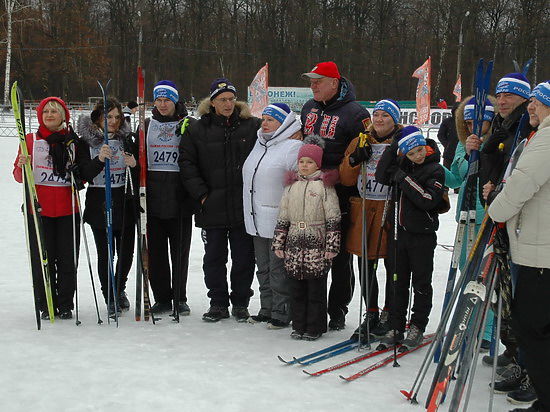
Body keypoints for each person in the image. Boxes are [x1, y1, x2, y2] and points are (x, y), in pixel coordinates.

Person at [488, 81, 550, 412]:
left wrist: (496, 209)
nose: (531, 108)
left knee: (532, 328)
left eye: (538, 104)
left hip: (540, 254)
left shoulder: (546, 140)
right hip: (540, 249)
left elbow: (519, 187)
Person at [179, 78, 261, 322]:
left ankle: (240, 303)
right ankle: (218, 303)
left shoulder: (252, 126)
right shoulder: (197, 129)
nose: (228, 103)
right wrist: (202, 195)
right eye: (222, 99)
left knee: (244, 258)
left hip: (242, 208)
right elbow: (186, 163)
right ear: (212, 102)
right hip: (211, 206)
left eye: (231, 99)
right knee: (214, 258)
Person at [468, 73, 533, 372]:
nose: (503, 101)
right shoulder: (503, 125)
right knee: (505, 290)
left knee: (519, 293)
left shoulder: (525, 127)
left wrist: (496, 186)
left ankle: (523, 356)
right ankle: (513, 349)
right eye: (501, 95)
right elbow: (493, 164)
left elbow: (518, 172)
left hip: (518, 219)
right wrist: (480, 150)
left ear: (525, 99)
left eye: (511, 96)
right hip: (498, 211)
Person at [300, 61, 371, 330]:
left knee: (339, 255)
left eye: (318, 81)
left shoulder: (355, 113)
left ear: (334, 82)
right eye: (311, 81)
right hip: (310, 191)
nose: (313, 85)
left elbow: (365, 154)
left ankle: (338, 308)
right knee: (311, 251)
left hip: (340, 194)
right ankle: (310, 306)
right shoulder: (309, 108)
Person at [375, 126, 446, 350]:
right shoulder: (403, 165)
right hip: (398, 234)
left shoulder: (435, 169)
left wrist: (404, 179)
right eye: (412, 152)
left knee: (421, 283)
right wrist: (395, 145)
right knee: (397, 281)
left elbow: (427, 199)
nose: (418, 155)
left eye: (420, 149)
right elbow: (380, 174)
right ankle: (396, 325)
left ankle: (417, 325)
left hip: (422, 236)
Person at [13, 97, 83, 320]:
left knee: (67, 260)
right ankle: (46, 302)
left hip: (67, 210)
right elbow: (17, 176)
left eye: (55, 111)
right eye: (46, 112)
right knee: (42, 258)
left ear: (64, 116)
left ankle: (64, 304)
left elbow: (83, 176)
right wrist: (21, 164)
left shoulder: (73, 141)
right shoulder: (30, 140)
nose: (50, 115)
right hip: (39, 211)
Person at [339, 99, 403, 339]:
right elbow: (345, 178)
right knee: (365, 264)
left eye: (385, 116)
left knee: (393, 266)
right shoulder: (360, 140)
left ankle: (389, 313)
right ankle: (372, 312)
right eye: (376, 115)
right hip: (365, 209)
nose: (379, 119)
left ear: (394, 120)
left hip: (390, 209)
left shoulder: (401, 142)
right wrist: (355, 159)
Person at [272, 136, 341, 341]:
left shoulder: (324, 187)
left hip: (316, 244)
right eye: (302, 162)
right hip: (294, 243)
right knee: (297, 289)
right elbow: (283, 216)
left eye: (309, 162)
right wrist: (279, 242)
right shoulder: (291, 186)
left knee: (315, 290)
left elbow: (333, 218)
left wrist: (331, 245)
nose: (304, 165)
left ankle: (315, 327)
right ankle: (299, 325)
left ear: (317, 164)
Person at [242, 103, 302, 329]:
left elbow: (301, 182)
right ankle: (266, 307)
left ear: (284, 123)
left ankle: (282, 310)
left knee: (279, 269)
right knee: (263, 267)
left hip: (279, 219)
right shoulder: (259, 143)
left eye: (271, 120)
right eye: (264, 118)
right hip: (256, 217)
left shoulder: (293, 146)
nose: (265, 123)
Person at [443, 95, 496, 350]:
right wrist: (432, 166)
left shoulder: (497, 143)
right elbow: (456, 179)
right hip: (465, 216)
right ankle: (466, 323)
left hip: (486, 215)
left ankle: (486, 331)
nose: (474, 128)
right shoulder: (463, 144)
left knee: (484, 275)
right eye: (468, 123)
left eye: (479, 123)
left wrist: (481, 150)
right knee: (466, 273)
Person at [140, 80, 195, 316]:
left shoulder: (188, 125)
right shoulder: (146, 125)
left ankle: (179, 297)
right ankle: (162, 297)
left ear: (175, 101)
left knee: (179, 252)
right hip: (152, 198)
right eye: (159, 100)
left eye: (167, 100)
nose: (162, 105)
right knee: (156, 253)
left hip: (179, 197)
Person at [78, 97, 137, 314]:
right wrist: (99, 161)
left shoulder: (127, 139)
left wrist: (134, 164)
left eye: (116, 117)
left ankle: (119, 288)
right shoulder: (85, 141)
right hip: (99, 201)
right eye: (108, 117)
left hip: (124, 200)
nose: (112, 121)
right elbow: (83, 174)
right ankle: (109, 296)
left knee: (126, 252)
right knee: (106, 253)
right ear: (98, 118)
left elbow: (138, 172)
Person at [437, 105, 459, 170]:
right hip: (449, 153)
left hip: (462, 153)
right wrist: (447, 145)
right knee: (447, 173)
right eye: (457, 111)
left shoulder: (465, 122)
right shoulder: (447, 121)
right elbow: (440, 135)